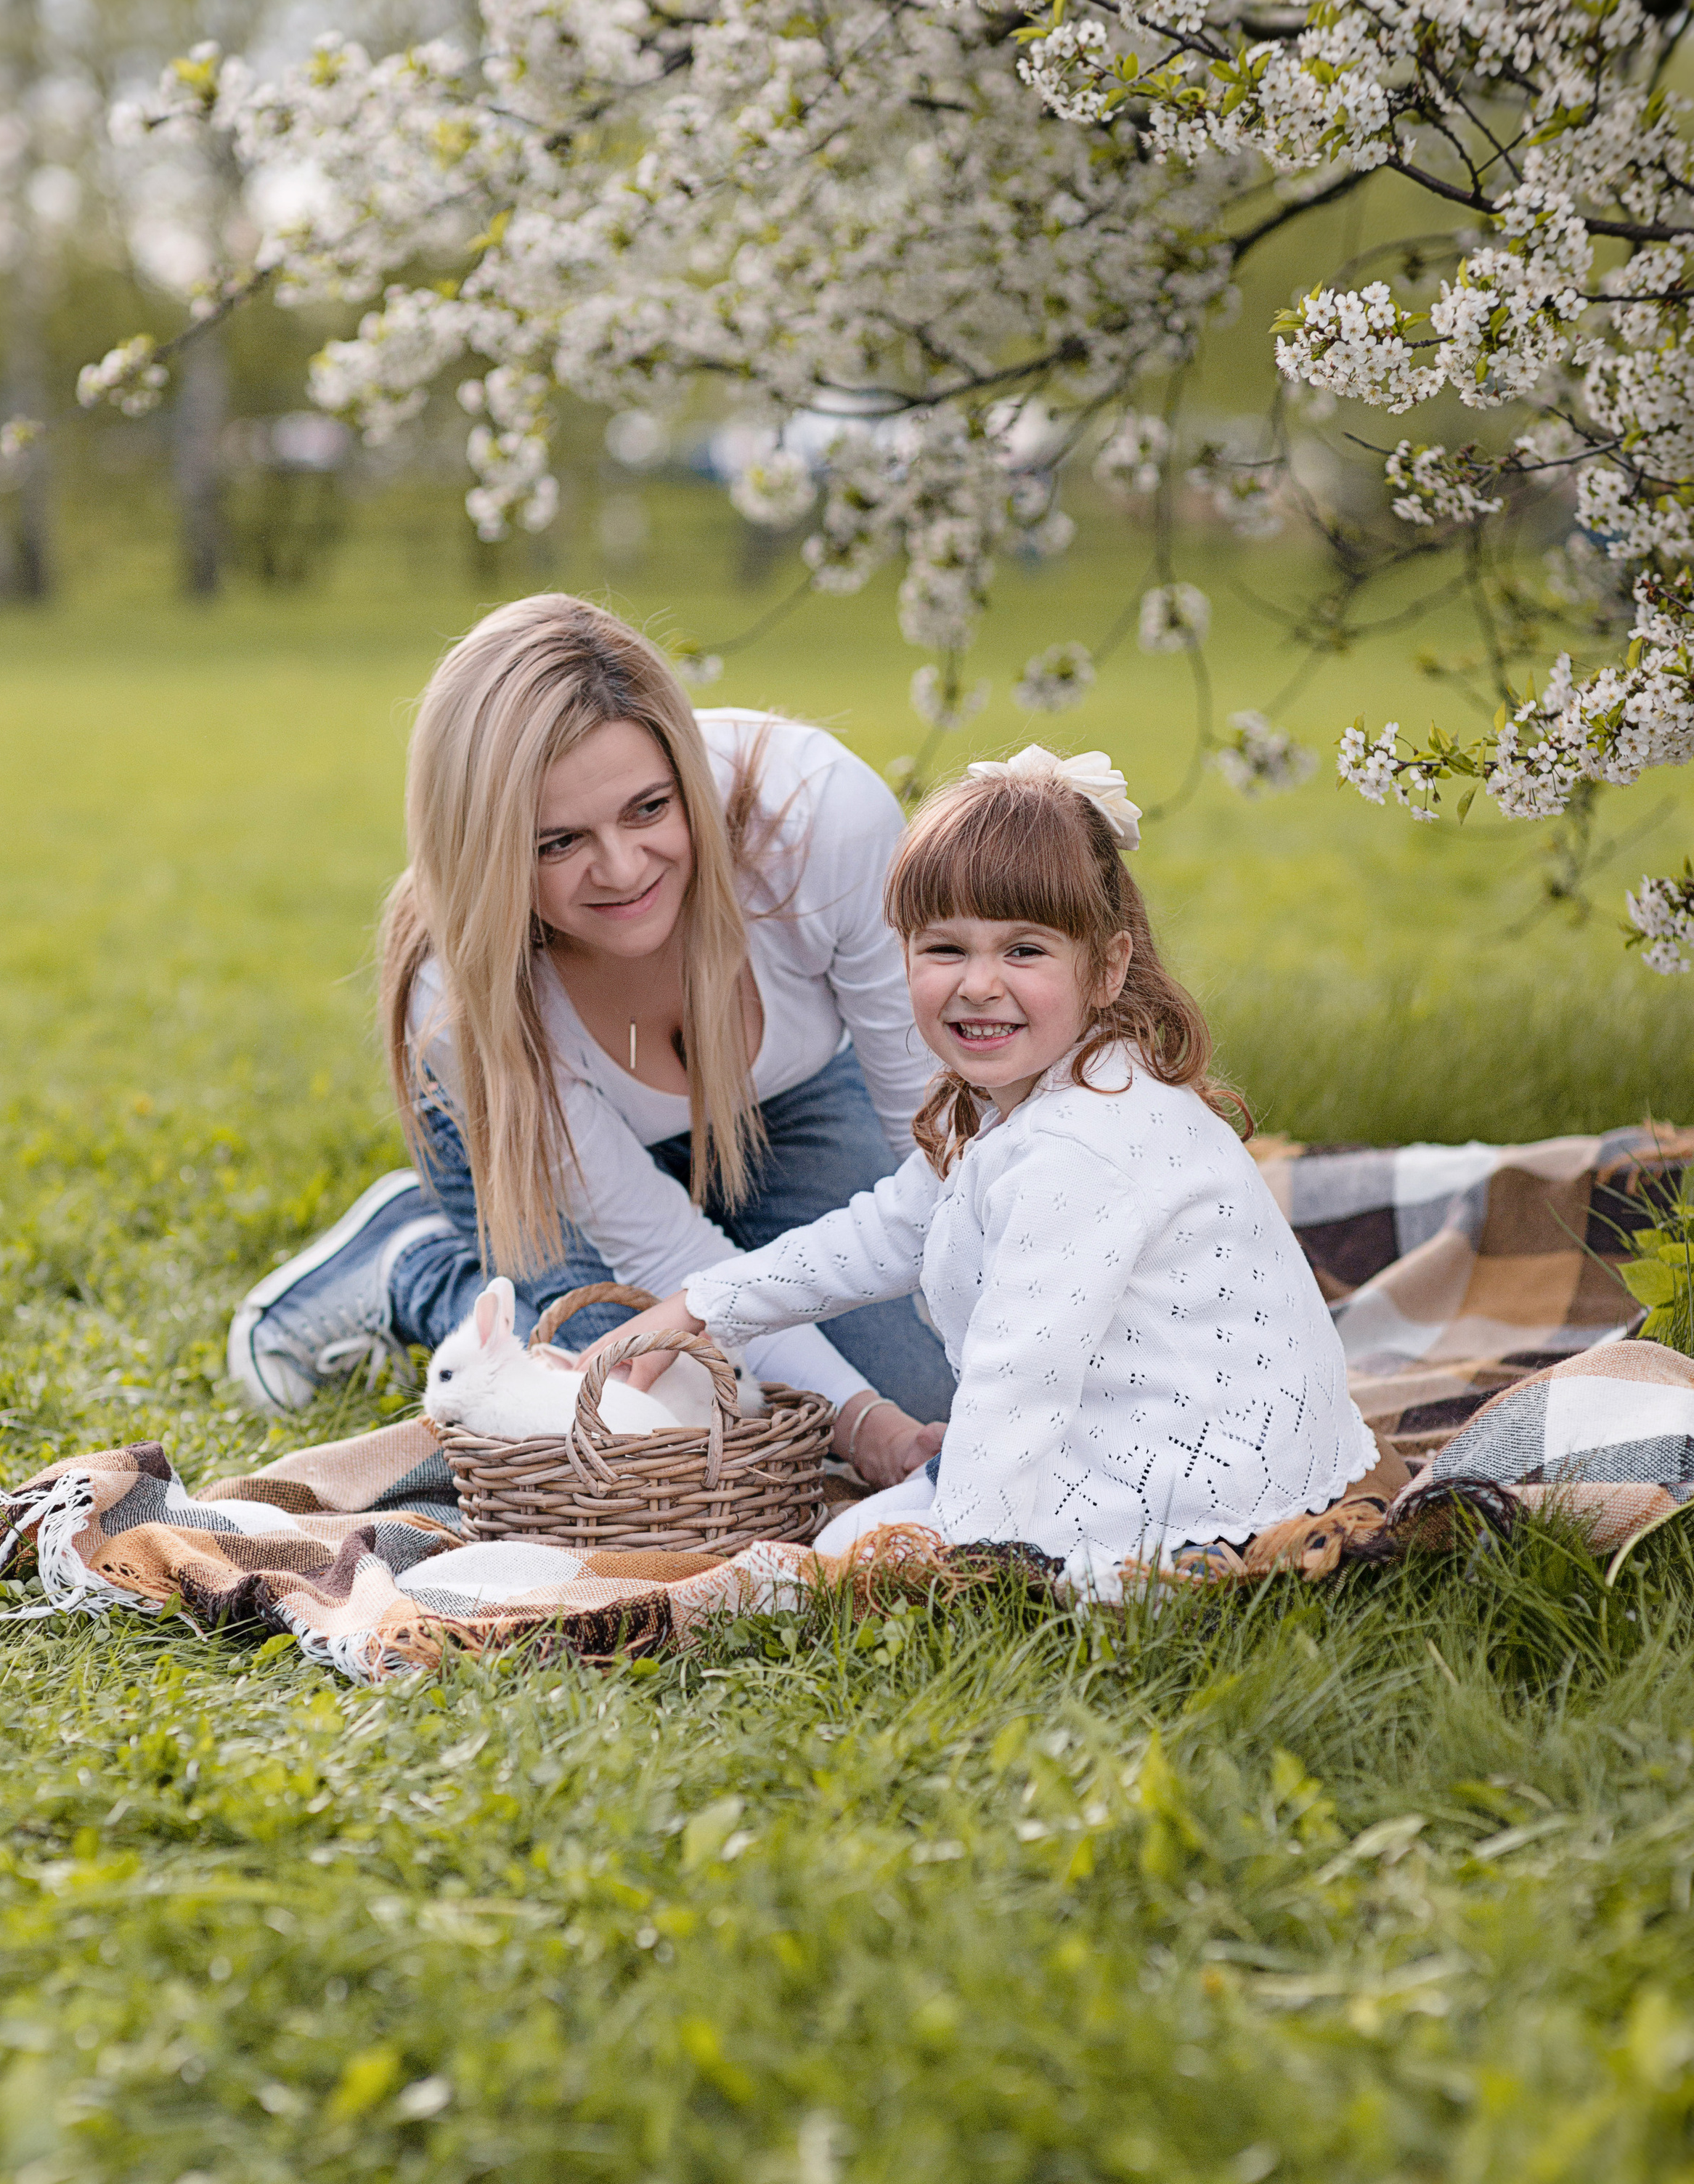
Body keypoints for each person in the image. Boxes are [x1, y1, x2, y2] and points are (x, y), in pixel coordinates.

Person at [590, 743, 1376, 1588]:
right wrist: (703, 1304)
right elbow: (885, 1230)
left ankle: (1007, 1556)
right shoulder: (1033, 1093)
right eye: (944, 950)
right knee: (846, 1538)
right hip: (1132, 1435)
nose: (978, 985)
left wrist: (965, 1564)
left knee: (824, 1568)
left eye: (1024, 951)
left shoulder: (1083, 1145)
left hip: (1182, 1483)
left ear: (1107, 967)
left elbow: (1019, 1377)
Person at [227, 593, 954, 1490]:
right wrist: (860, 1426)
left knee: (925, 1385)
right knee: (633, 1422)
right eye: (558, 841)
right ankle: (412, 1265)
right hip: (537, 1140)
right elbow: (667, 1259)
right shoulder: (456, 996)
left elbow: (939, 1139)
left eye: (649, 809)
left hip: (776, 1106)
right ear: (491, 852)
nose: (620, 868)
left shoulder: (819, 819)